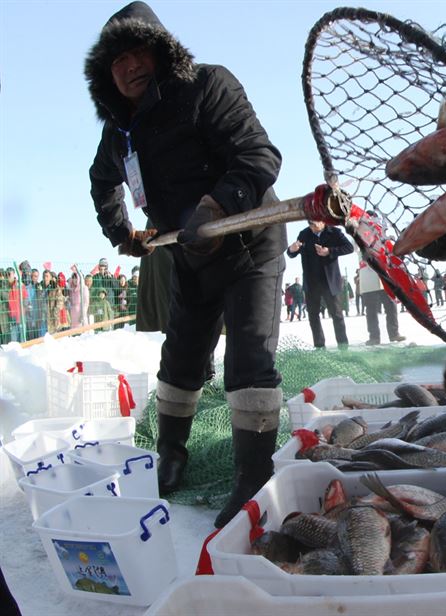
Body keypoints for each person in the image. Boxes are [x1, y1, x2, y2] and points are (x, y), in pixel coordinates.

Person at [86, 1, 288, 527]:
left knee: (248, 360)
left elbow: (260, 156)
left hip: (248, 239)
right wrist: (122, 232)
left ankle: (253, 473)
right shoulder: (119, 132)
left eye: (138, 53)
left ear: (161, 52)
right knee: (181, 356)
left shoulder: (208, 85)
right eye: (117, 61)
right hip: (187, 252)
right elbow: (102, 182)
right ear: (106, 74)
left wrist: (216, 204)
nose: (130, 67)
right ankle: (172, 453)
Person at [286, 220, 353, 348]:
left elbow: (349, 248)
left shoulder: (334, 232)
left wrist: (329, 251)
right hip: (311, 282)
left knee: (337, 315)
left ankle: (343, 347)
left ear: (322, 221)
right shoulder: (304, 234)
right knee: (313, 316)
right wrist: (291, 249)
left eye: (315, 224)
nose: (312, 227)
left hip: (330, 281)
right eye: (310, 224)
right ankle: (319, 346)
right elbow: (291, 254)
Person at [359, 254, 406, 345]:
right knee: (371, 311)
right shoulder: (358, 240)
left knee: (391, 306)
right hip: (369, 277)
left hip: (385, 275)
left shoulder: (383, 239)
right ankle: (374, 337)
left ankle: (394, 334)